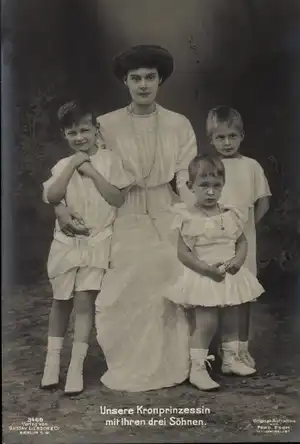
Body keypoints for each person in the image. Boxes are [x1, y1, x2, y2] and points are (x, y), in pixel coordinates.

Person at [52, 45, 198, 392]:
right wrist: (60, 208)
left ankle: (178, 361)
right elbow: (80, 173)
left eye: (150, 77)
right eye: (136, 78)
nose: (143, 85)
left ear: (160, 80)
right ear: (125, 82)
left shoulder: (178, 124)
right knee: (123, 289)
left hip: (165, 208)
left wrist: (194, 215)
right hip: (120, 211)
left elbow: (184, 176)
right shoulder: (105, 124)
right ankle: (129, 361)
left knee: (168, 281)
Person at [40, 101, 134, 395]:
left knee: (84, 301)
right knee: (60, 300)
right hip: (67, 242)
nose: (79, 137)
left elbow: (117, 200)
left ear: (96, 130)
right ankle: (52, 362)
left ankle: (76, 366)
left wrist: (91, 172)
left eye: (84, 130)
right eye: (72, 132)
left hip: (97, 240)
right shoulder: (61, 165)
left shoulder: (110, 161)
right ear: (64, 135)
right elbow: (54, 194)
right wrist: (72, 164)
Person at [164, 155, 265, 391]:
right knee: (207, 323)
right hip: (204, 275)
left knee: (232, 319)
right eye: (204, 186)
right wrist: (206, 270)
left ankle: (231, 359)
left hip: (228, 274)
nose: (210, 192)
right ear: (190, 187)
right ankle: (197, 369)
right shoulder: (187, 217)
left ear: (223, 186)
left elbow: (241, 242)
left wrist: (238, 262)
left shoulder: (230, 214)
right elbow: (184, 253)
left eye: (216, 186)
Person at [206, 106, 271, 369]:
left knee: (244, 294)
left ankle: (241, 349)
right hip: (217, 241)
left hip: (244, 240)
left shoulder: (251, 166)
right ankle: (222, 351)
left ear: (242, 136)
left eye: (232, 136)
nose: (227, 142)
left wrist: (245, 229)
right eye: (220, 137)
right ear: (211, 139)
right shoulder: (210, 167)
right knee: (219, 295)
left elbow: (263, 201)